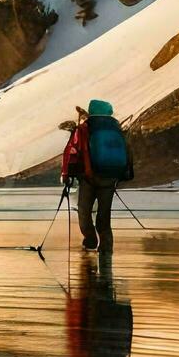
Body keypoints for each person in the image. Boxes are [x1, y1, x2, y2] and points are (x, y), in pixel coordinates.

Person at [60, 99, 135, 254]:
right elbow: (127, 152)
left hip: (88, 177)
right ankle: (106, 248)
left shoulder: (83, 129)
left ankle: (90, 240)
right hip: (110, 177)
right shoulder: (116, 128)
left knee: (84, 212)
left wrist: (66, 174)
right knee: (104, 214)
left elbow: (71, 151)